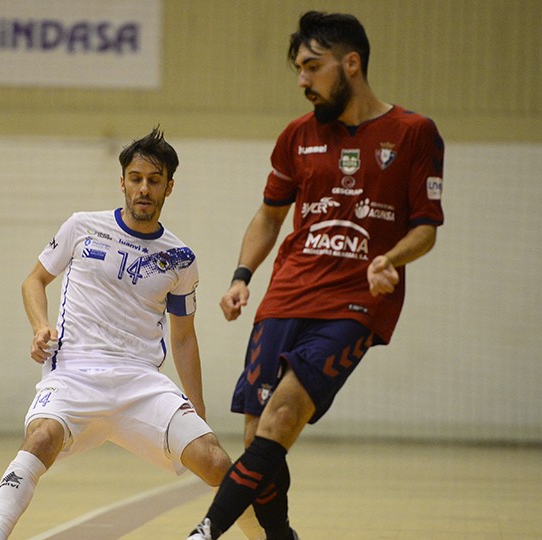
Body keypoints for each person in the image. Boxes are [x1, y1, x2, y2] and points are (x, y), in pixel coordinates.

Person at [186, 11, 445, 540]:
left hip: (355, 302)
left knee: (281, 421)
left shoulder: (415, 133)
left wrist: (390, 260)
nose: (301, 80)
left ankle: (202, 534)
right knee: (263, 438)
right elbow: (269, 215)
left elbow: (426, 228)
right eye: (297, 69)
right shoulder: (296, 137)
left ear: (351, 63)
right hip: (286, 295)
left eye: (311, 66)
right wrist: (242, 276)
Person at [0, 128, 264, 540]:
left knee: (214, 461)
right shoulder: (81, 227)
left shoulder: (181, 258)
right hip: (72, 374)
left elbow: (184, 338)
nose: (143, 188)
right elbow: (33, 281)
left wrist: (198, 410)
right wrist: (39, 326)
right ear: (122, 182)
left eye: (154, 181)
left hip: (140, 382)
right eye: (136, 178)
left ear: (169, 187)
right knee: (41, 436)